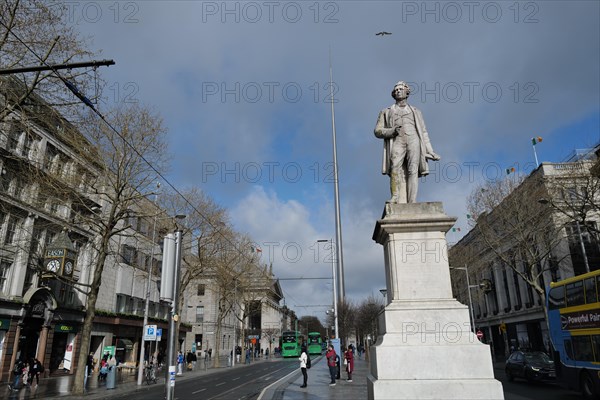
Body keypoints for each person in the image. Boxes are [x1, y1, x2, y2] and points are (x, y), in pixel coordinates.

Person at [374, 81, 440, 204]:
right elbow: (377, 131)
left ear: (407, 92)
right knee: (394, 166)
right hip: (397, 140)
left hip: (413, 139)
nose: (398, 91)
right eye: (396, 90)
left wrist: (430, 151)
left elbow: (424, 132)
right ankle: (395, 197)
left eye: (401, 89)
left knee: (413, 170)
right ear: (393, 94)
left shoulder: (416, 111)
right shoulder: (386, 111)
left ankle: (412, 201)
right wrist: (391, 131)